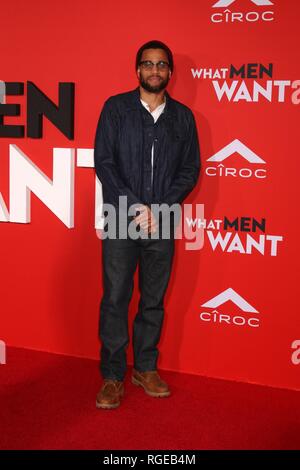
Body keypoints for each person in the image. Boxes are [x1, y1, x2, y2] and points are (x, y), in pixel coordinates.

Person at [94, 40, 200, 409]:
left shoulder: (183, 118)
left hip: (163, 220)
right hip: (121, 218)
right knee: (116, 298)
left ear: (170, 72)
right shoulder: (115, 110)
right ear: (137, 70)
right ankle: (111, 376)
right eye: (148, 64)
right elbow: (104, 164)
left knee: (153, 301)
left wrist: (161, 208)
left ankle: (145, 368)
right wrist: (136, 206)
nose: (154, 71)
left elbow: (189, 171)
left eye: (161, 65)